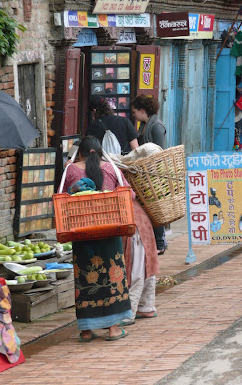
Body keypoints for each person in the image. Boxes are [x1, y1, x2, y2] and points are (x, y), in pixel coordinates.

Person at [60, 136, 133, 342]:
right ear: (99, 152)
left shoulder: (72, 170)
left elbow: (60, 198)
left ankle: (85, 330)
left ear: (80, 153)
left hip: (82, 235)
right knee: (112, 277)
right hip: (109, 232)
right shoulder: (111, 169)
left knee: (85, 278)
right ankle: (113, 329)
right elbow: (130, 195)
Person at [131, 95, 168, 255]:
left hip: (155, 173)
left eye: (134, 112)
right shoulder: (144, 126)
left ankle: (160, 243)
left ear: (142, 110)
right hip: (146, 173)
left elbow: (159, 151)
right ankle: (156, 241)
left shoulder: (156, 126)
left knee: (155, 207)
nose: (134, 115)